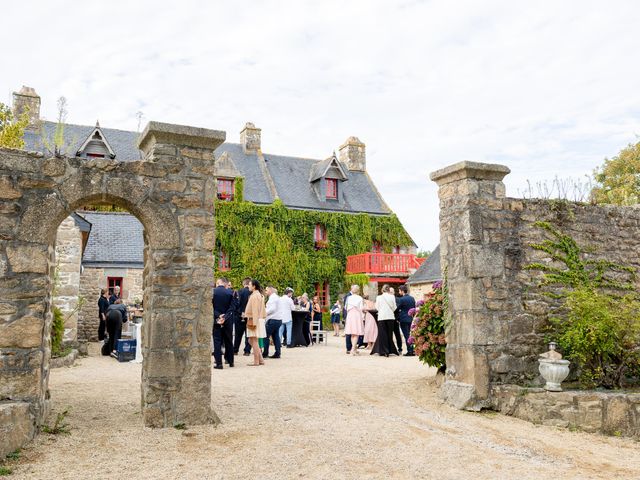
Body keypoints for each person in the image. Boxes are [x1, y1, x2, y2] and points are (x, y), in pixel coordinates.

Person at [212, 277, 235, 369]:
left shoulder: (213, 292)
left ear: (218, 282)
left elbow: (211, 306)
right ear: (225, 284)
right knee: (229, 340)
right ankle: (231, 361)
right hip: (228, 320)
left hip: (216, 319)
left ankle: (219, 363)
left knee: (217, 341)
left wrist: (218, 316)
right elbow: (232, 307)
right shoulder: (231, 293)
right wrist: (225, 316)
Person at [243, 279, 266, 366]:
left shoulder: (255, 296)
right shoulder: (258, 295)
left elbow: (255, 310)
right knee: (251, 340)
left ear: (254, 286)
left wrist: (255, 322)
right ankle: (260, 359)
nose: (248, 286)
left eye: (249, 285)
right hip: (256, 319)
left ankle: (257, 361)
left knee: (253, 340)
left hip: (254, 319)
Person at [374, 284, 399, 357]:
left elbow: (377, 307)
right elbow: (394, 307)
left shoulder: (379, 297)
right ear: (388, 290)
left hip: (381, 317)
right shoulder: (392, 297)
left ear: (382, 289)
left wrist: (381, 310)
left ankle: (383, 351)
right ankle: (389, 349)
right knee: (389, 334)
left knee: (382, 334)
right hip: (390, 317)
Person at [234, 278, 252, 356]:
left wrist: (240, 312)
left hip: (239, 315)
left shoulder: (239, 292)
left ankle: (235, 350)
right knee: (248, 334)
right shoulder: (252, 292)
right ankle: (247, 351)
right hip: (249, 316)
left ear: (243, 284)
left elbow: (236, 304)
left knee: (238, 335)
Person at [344, 285, 364, 355]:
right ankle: (353, 349)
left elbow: (345, 308)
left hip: (350, 315)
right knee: (356, 333)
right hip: (356, 315)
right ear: (358, 290)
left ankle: (354, 349)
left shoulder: (348, 298)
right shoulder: (360, 298)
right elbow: (361, 308)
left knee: (352, 333)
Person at [263, 286, 283, 359]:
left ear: (270, 291)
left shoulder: (273, 298)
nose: (265, 291)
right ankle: (278, 353)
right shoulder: (277, 297)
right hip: (278, 319)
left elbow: (272, 309)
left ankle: (265, 353)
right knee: (275, 336)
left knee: (265, 336)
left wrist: (264, 313)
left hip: (273, 319)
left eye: (266, 290)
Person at [396, 285, 416, 356]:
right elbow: (414, 308)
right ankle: (412, 350)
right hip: (410, 318)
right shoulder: (412, 298)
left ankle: (410, 351)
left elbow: (397, 308)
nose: (399, 292)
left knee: (406, 335)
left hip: (403, 319)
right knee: (410, 335)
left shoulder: (402, 299)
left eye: (399, 291)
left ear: (402, 291)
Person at [390, 287, 404, 354]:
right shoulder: (388, 299)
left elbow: (397, 308)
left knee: (397, 334)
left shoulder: (398, 299)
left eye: (391, 292)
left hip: (395, 318)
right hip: (389, 318)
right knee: (390, 334)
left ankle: (400, 348)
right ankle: (391, 348)